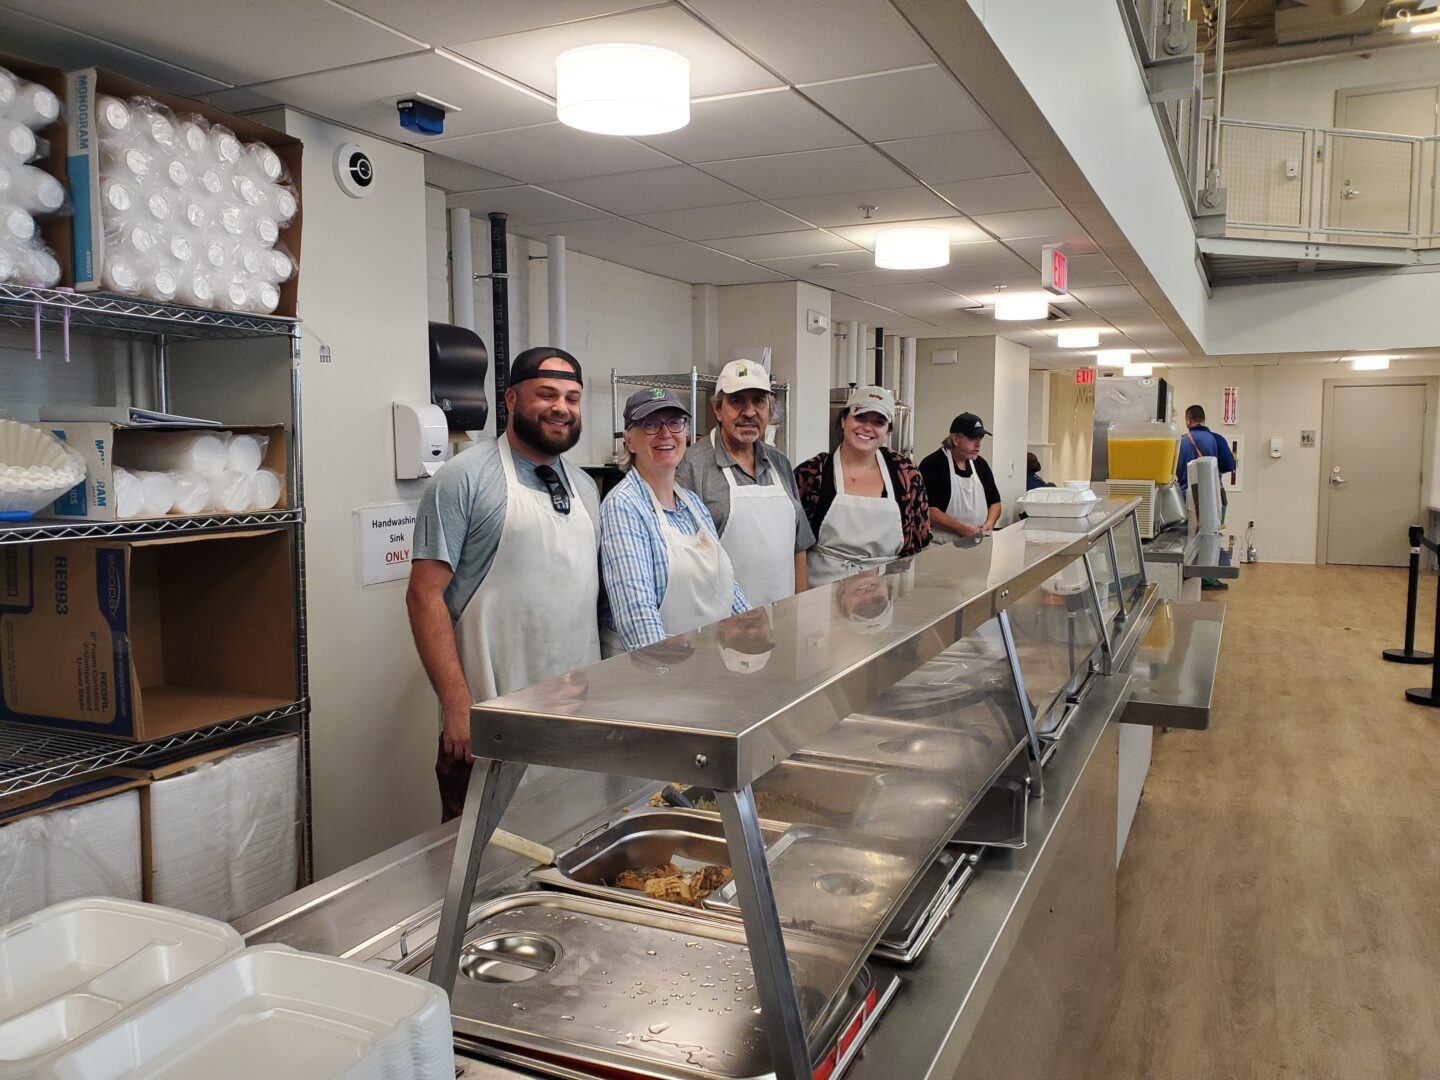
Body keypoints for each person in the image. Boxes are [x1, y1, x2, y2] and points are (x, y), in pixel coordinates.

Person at [407, 347, 601, 822]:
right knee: (486, 867)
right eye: (547, 394)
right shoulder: (463, 479)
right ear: (512, 399)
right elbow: (423, 596)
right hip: (490, 722)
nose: (561, 408)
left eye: (572, 398)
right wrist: (458, 707)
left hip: (575, 719)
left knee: (572, 848)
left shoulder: (586, 487)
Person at [600, 387, 749, 653]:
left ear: (686, 435)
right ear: (629, 441)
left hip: (708, 664)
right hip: (657, 674)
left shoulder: (693, 505)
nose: (666, 433)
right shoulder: (624, 506)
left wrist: (748, 637)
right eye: (650, 424)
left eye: (675, 422)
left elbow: (728, 589)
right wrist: (668, 679)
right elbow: (637, 615)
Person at [675, 359, 813, 607]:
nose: (749, 412)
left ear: (769, 410)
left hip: (782, 618)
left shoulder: (779, 463)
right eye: (737, 401)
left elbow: (798, 547)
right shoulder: (691, 467)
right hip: (721, 625)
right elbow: (683, 564)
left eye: (758, 401)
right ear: (717, 409)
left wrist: (799, 611)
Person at [794, 385, 930, 587]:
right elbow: (795, 546)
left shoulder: (906, 474)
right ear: (843, 420)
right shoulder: (813, 473)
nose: (868, 427)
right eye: (860, 417)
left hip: (884, 594)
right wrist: (801, 603)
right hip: (822, 596)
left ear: (888, 430)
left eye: (879, 422)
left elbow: (920, 541)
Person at [1177, 403, 1237, 591]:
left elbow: (1175, 473)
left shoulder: (1181, 441)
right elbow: (1229, 466)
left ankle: (1190, 574)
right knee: (1212, 534)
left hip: (1185, 498)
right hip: (1213, 497)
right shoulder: (1216, 438)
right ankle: (1208, 579)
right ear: (1203, 419)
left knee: (1190, 537)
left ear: (1188, 420)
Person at [919, 412, 1002, 543]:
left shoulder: (980, 464)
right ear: (955, 439)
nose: (978, 444)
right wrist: (961, 529)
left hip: (977, 544)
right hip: (942, 547)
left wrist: (989, 524)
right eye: (973, 438)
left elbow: (995, 502)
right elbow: (929, 510)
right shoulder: (932, 465)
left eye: (980, 438)